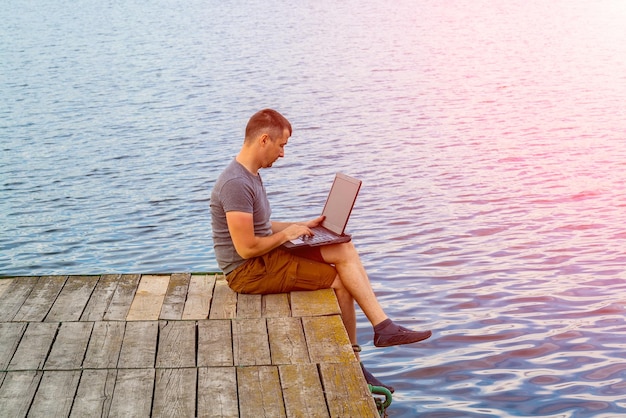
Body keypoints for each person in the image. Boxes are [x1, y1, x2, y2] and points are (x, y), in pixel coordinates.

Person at [210, 108, 431, 391]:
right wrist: (288, 235)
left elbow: (260, 225)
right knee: (340, 282)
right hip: (249, 271)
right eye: (281, 146)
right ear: (264, 139)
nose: (282, 154)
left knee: (343, 246)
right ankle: (354, 362)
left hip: (266, 259)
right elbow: (246, 248)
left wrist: (299, 225)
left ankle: (382, 327)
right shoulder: (236, 183)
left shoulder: (248, 175)